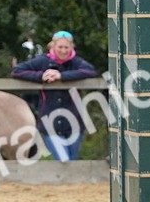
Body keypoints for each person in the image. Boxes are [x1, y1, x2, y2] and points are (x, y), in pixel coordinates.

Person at [11, 31, 98, 161]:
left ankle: (71, 182)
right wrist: (41, 76)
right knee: (64, 161)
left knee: (72, 161)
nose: (63, 51)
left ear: (71, 47)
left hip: (74, 121)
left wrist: (61, 76)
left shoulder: (76, 62)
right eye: (60, 47)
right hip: (49, 121)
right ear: (53, 46)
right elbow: (17, 71)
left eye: (66, 47)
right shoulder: (42, 61)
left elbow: (90, 71)